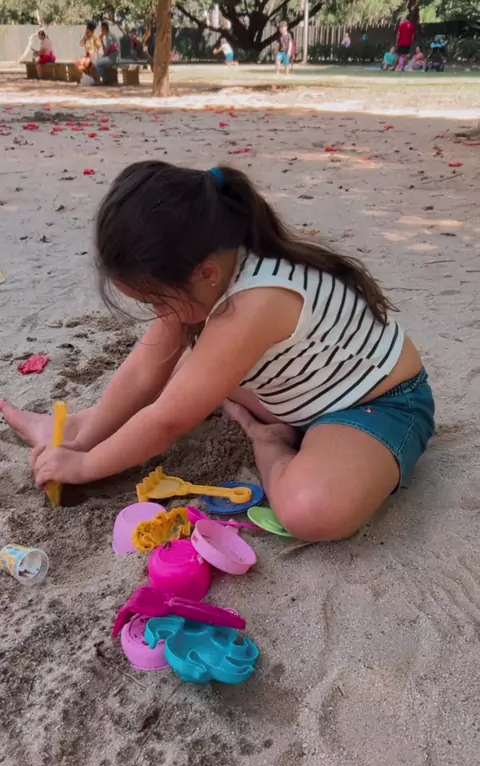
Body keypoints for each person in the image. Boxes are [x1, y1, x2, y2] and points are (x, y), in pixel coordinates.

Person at [0, 162, 435, 543]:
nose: (158, 314)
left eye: (156, 302)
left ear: (204, 273)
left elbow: (168, 421)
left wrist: (85, 467)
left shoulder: (257, 301)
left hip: (372, 406)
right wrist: (82, 444)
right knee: (181, 371)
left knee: (311, 510)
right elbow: (145, 371)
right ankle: (75, 427)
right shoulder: (204, 266)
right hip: (290, 387)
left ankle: (270, 443)